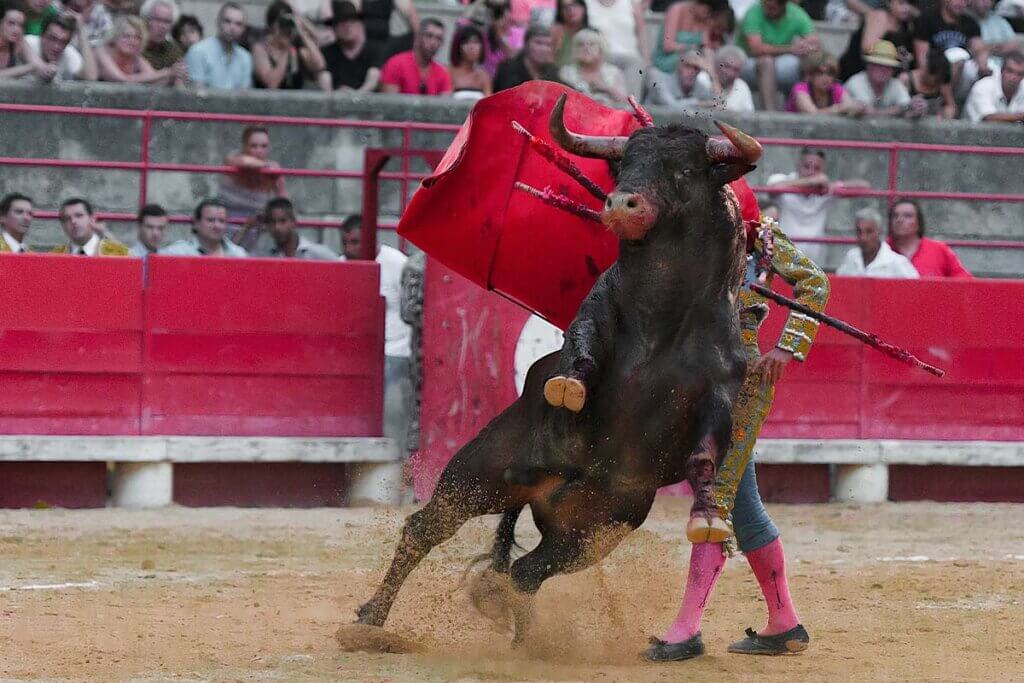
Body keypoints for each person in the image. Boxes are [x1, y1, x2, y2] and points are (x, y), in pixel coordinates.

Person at [645, 214, 829, 662]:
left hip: (739, 382)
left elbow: (815, 283)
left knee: (716, 496)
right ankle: (784, 623)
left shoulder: (753, 230)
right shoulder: (682, 227)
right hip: (692, 376)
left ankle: (686, 629)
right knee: (741, 502)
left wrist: (788, 345)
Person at [340, 215, 413, 457]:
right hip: (361, 353)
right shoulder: (343, 265)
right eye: (346, 243)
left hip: (397, 352)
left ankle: (396, 463)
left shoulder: (398, 264)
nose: (350, 250)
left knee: (393, 420)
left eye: (356, 242)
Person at [766, 148, 870, 265]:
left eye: (817, 168)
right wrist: (811, 182)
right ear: (798, 166)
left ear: (823, 170)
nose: (811, 172)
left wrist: (833, 186)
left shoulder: (825, 189)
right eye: (807, 166)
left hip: (814, 266)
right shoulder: (784, 180)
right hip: (783, 262)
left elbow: (864, 187)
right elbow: (773, 189)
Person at [737, 0, 819, 111]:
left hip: (780, 62)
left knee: (809, 58)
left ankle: (804, 108)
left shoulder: (795, 13)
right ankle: (770, 113)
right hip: (746, 63)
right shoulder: (753, 12)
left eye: (772, 8)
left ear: (783, 5)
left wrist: (806, 46)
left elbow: (814, 42)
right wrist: (790, 49)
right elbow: (756, 49)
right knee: (766, 61)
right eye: (765, 5)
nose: (767, 10)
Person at [913, 0, 990, 101]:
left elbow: (980, 49)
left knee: (991, 66)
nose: (962, 3)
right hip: (934, 73)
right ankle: (942, 99)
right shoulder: (927, 19)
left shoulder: (970, 22)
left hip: (962, 76)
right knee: (957, 56)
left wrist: (983, 66)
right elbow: (922, 58)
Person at [218, 125, 288, 236]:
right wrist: (265, 166)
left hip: (256, 231)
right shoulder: (232, 160)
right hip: (224, 228)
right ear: (244, 146)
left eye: (264, 146)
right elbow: (244, 162)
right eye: (254, 146)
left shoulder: (273, 170)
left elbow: (285, 203)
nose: (259, 151)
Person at [253, 1, 328, 90]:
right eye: (281, 23)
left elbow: (320, 65)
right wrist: (285, 50)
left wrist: (301, 31)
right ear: (271, 25)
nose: (285, 28)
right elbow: (272, 84)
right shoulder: (260, 49)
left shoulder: (296, 47)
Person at [887, 199, 972, 277]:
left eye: (908, 216)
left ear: (919, 222)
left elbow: (965, 281)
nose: (899, 220)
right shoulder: (882, 250)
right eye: (895, 216)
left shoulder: (939, 250)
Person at [583, 0, 649, 97]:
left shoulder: (631, 3)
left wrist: (646, 57)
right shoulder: (587, 4)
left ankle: (631, 106)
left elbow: (641, 32)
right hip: (600, 55)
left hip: (629, 56)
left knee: (636, 63)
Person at [838, 0, 917, 82]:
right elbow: (867, 48)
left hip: (886, 76)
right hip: (859, 71)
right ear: (889, 3)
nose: (906, 8)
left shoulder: (907, 25)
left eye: (910, 4)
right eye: (901, 3)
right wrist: (896, 54)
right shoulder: (879, 16)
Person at [844, 40, 927, 117]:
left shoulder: (896, 84)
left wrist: (916, 109)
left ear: (893, 71)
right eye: (878, 65)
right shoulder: (856, 82)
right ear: (869, 66)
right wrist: (900, 109)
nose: (883, 70)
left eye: (888, 67)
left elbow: (906, 108)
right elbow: (869, 113)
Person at [98, 15, 183, 85]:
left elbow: (154, 79)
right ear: (115, 37)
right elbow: (121, 79)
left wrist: (174, 75)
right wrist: (167, 72)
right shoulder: (102, 52)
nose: (132, 41)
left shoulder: (136, 58)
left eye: (137, 37)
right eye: (126, 36)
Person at [184, 2, 252, 90]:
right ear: (217, 22)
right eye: (227, 21)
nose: (232, 27)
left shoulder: (245, 57)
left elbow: (244, 95)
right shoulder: (198, 51)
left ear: (243, 29)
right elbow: (196, 95)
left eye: (238, 24)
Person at [322, 0, 386, 91]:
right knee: (324, 77)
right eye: (342, 23)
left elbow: (374, 79)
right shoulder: (327, 52)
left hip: (367, 101)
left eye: (352, 21)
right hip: (335, 100)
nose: (347, 27)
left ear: (360, 25)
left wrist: (355, 97)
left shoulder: (375, 50)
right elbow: (324, 78)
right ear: (334, 28)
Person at [836, 207, 919, 277]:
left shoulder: (898, 262)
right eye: (859, 231)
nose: (863, 237)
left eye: (869, 231)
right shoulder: (851, 257)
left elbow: (915, 290)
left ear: (879, 232)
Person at [379, 18, 452, 95]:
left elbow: (446, 104)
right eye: (429, 36)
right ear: (418, 37)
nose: (433, 43)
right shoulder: (396, 64)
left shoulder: (442, 72)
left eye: (439, 38)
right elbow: (390, 103)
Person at [250, 197, 340, 259]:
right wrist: (246, 228)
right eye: (272, 222)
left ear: (293, 222)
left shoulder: (317, 253)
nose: (277, 227)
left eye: (282, 221)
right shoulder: (266, 256)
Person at [23, 12, 99, 82]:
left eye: (63, 42)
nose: (57, 47)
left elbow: (91, 77)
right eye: (52, 39)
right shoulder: (28, 42)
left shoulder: (68, 52)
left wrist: (81, 30)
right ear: (42, 35)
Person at [558, 27, 627, 104]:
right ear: (575, 50)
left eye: (592, 44)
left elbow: (624, 101)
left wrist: (606, 88)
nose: (586, 48)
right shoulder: (567, 72)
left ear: (600, 49)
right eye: (581, 45)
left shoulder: (613, 72)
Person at [653, 0, 722, 75]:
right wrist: (691, 49)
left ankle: (715, 81)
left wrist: (710, 63)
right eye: (706, 10)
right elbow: (668, 46)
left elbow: (706, 47)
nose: (707, 14)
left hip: (694, 61)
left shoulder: (704, 19)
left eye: (710, 12)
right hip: (667, 59)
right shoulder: (677, 10)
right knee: (695, 57)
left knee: (711, 61)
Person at [161, 198, 248, 257]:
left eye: (221, 221)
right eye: (210, 220)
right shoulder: (176, 253)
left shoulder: (238, 255)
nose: (216, 226)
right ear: (196, 223)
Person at [786, 50, 864, 115]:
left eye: (830, 73)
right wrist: (839, 108)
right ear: (810, 75)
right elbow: (811, 114)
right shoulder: (800, 89)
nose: (826, 78)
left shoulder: (837, 89)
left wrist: (857, 109)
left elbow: (849, 106)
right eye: (820, 73)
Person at [492, 23, 560, 91]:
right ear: (526, 44)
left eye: (548, 45)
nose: (543, 49)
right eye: (538, 43)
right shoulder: (507, 69)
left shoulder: (552, 72)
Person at [53, 197, 130, 256]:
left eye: (79, 215)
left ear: (92, 219)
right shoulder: (55, 256)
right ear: (62, 225)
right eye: (67, 218)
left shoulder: (117, 253)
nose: (73, 221)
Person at [964, 49, 1024, 121]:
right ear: (1002, 71)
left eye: (1019, 74)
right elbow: (989, 118)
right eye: (1010, 71)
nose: (1014, 77)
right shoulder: (983, 86)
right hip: (971, 131)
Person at [645, 47, 714, 106]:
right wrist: (699, 103)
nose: (692, 72)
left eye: (696, 68)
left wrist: (712, 75)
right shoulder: (660, 80)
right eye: (688, 66)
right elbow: (671, 106)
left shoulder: (699, 86)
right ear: (679, 66)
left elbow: (718, 104)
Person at [699, 44, 755, 111]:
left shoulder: (741, 86)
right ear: (717, 64)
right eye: (727, 66)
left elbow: (749, 115)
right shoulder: (702, 79)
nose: (730, 73)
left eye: (736, 70)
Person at [907, 44, 957, 118]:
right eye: (936, 78)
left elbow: (950, 106)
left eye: (939, 80)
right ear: (927, 69)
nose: (936, 82)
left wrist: (945, 116)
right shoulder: (906, 79)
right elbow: (899, 106)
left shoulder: (942, 84)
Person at [448, 23, 493, 99]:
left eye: (476, 42)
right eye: (466, 42)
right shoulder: (449, 73)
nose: (471, 47)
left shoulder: (484, 77)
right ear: (458, 46)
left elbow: (489, 105)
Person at [970, 0, 1018, 70]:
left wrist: (987, 48)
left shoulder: (999, 20)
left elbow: (1014, 46)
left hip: (1004, 66)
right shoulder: (966, 20)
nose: (986, 3)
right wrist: (998, 47)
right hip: (977, 65)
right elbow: (975, 49)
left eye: (990, 0)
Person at [140, 0, 183, 72]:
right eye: (157, 20)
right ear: (145, 19)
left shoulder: (172, 49)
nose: (162, 26)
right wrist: (169, 74)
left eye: (167, 22)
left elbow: (180, 77)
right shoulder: (134, 44)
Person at [551, 0, 587, 67]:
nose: (570, 10)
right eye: (564, 7)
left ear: (583, 8)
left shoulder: (592, 33)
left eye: (575, 5)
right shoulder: (554, 31)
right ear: (560, 12)